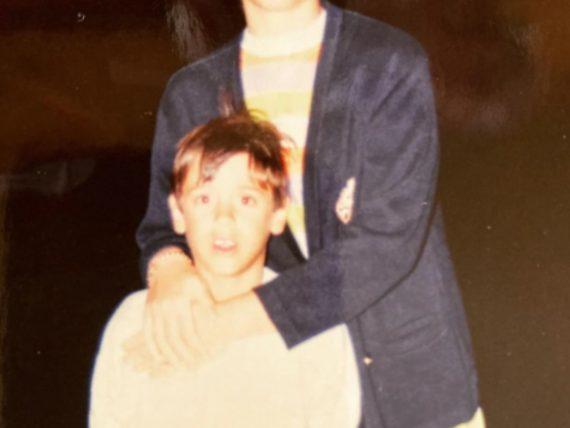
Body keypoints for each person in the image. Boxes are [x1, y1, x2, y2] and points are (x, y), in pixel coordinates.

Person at [137, 0, 484, 426]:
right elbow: (164, 228)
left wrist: (219, 324)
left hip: (408, 387)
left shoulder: (388, 63)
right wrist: (169, 268)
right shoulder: (192, 93)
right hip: (292, 390)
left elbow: (384, 243)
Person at [90, 111, 361, 427]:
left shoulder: (317, 334)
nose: (224, 217)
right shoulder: (134, 320)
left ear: (277, 214)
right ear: (177, 212)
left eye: (246, 200)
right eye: (204, 199)